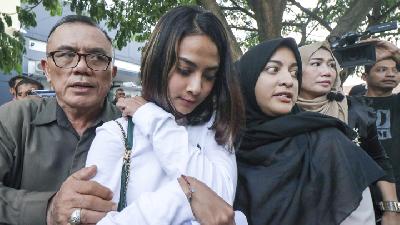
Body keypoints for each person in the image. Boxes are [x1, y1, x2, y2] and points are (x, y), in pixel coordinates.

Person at [85, 6, 246, 225]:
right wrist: (182, 194)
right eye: (184, 70)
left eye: (209, 76)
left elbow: (220, 205)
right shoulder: (116, 135)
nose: (196, 87)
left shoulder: (215, 128)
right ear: (158, 61)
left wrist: (154, 119)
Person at [233, 37, 385, 225]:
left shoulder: (329, 142)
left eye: (294, 72)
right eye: (273, 69)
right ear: (247, 77)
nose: (288, 80)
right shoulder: (225, 144)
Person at [0, 15, 121, 225]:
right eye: (66, 55)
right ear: (46, 69)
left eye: (96, 57)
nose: (81, 67)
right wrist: (47, 209)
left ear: (112, 74)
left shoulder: (133, 130)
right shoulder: (14, 118)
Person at [296, 41, 400, 224]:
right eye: (316, 63)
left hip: (356, 213)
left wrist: (392, 210)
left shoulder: (354, 110)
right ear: (294, 71)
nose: (327, 71)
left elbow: (378, 158)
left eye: (331, 64)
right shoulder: (281, 111)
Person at [362, 40, 400, 203]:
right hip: (363, 189)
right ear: (365, 76)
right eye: (382, 70)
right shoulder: (349, 105)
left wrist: (396, 53)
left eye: (395, 70)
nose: (391, 74)